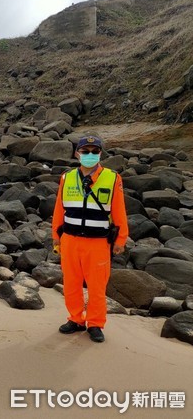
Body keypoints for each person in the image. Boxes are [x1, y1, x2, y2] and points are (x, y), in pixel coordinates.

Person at [51, 136, 129, 343]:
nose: (90, 155)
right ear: (77, 153)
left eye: (94, 151)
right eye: (85, 151)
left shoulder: (113, 178)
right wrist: (55, 237)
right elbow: (59, 209)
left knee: (97, 287)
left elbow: (119, 211)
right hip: (70, 240)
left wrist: (121, 239)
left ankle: (95, 323)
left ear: (100, 154)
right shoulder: (66, 178)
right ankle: (75, 319)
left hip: (98, 243)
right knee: (71, 284)